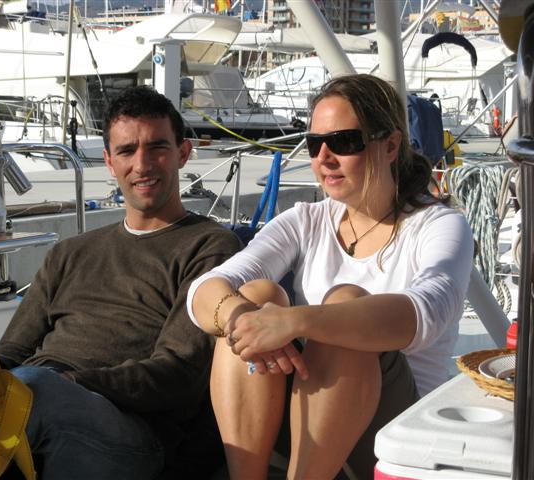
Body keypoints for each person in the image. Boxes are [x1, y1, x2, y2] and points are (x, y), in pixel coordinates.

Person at [0, 86, 242, 479]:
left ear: (183, 153)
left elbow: (177, 374)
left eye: (157, 147)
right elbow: (11, 354)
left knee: (34, 389)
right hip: (29, 395)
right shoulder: (70, 252)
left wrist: (68, 382)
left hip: (127, 430)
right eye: (127, 151)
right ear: (109, 161)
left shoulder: (210, 246)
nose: (142, 164)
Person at [187, 74, 474, 479]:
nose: (324, 157)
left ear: (390, 146)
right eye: (314, 143)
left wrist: (296, 321)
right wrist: (243, 319)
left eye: (344, 142)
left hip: (396, 439)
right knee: (254, 295)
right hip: (311, 427)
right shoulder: (306, 220)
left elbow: (426, 312)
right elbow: (204, 291)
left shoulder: (439, 226)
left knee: (345, 307)